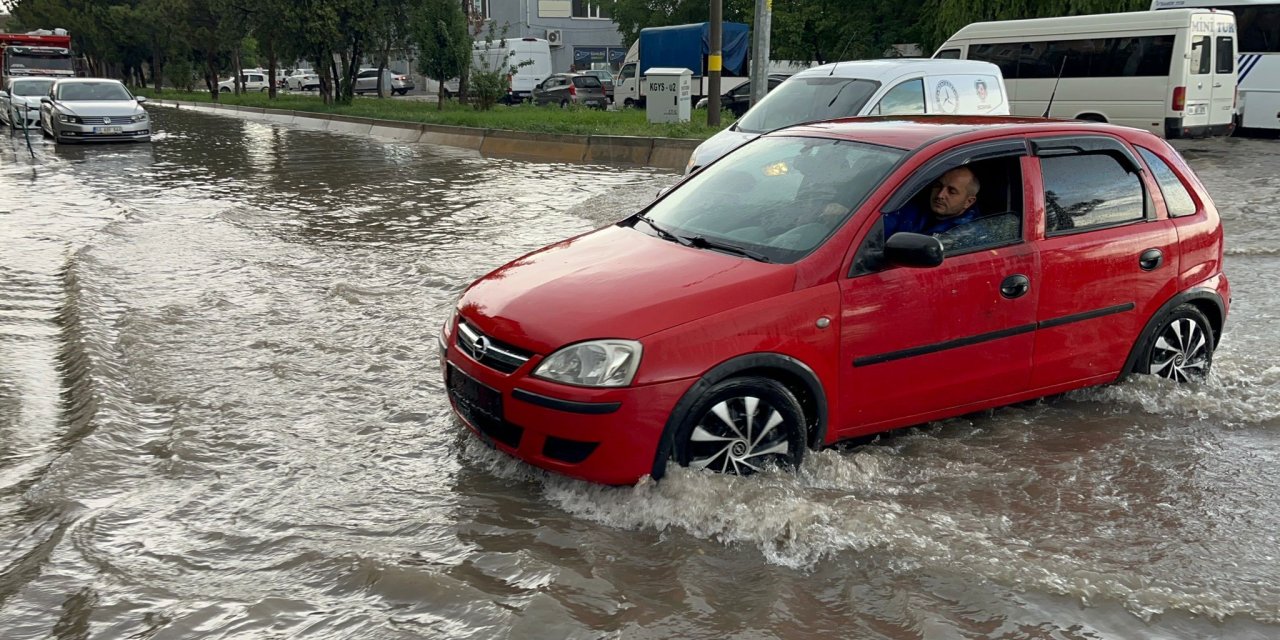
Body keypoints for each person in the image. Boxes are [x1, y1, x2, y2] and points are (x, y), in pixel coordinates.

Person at [882, 166, 981, 239]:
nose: (940, 195)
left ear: (968, 202)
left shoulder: (967, 233)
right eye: (938, 186)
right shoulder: (911, 206)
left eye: (951, 191)